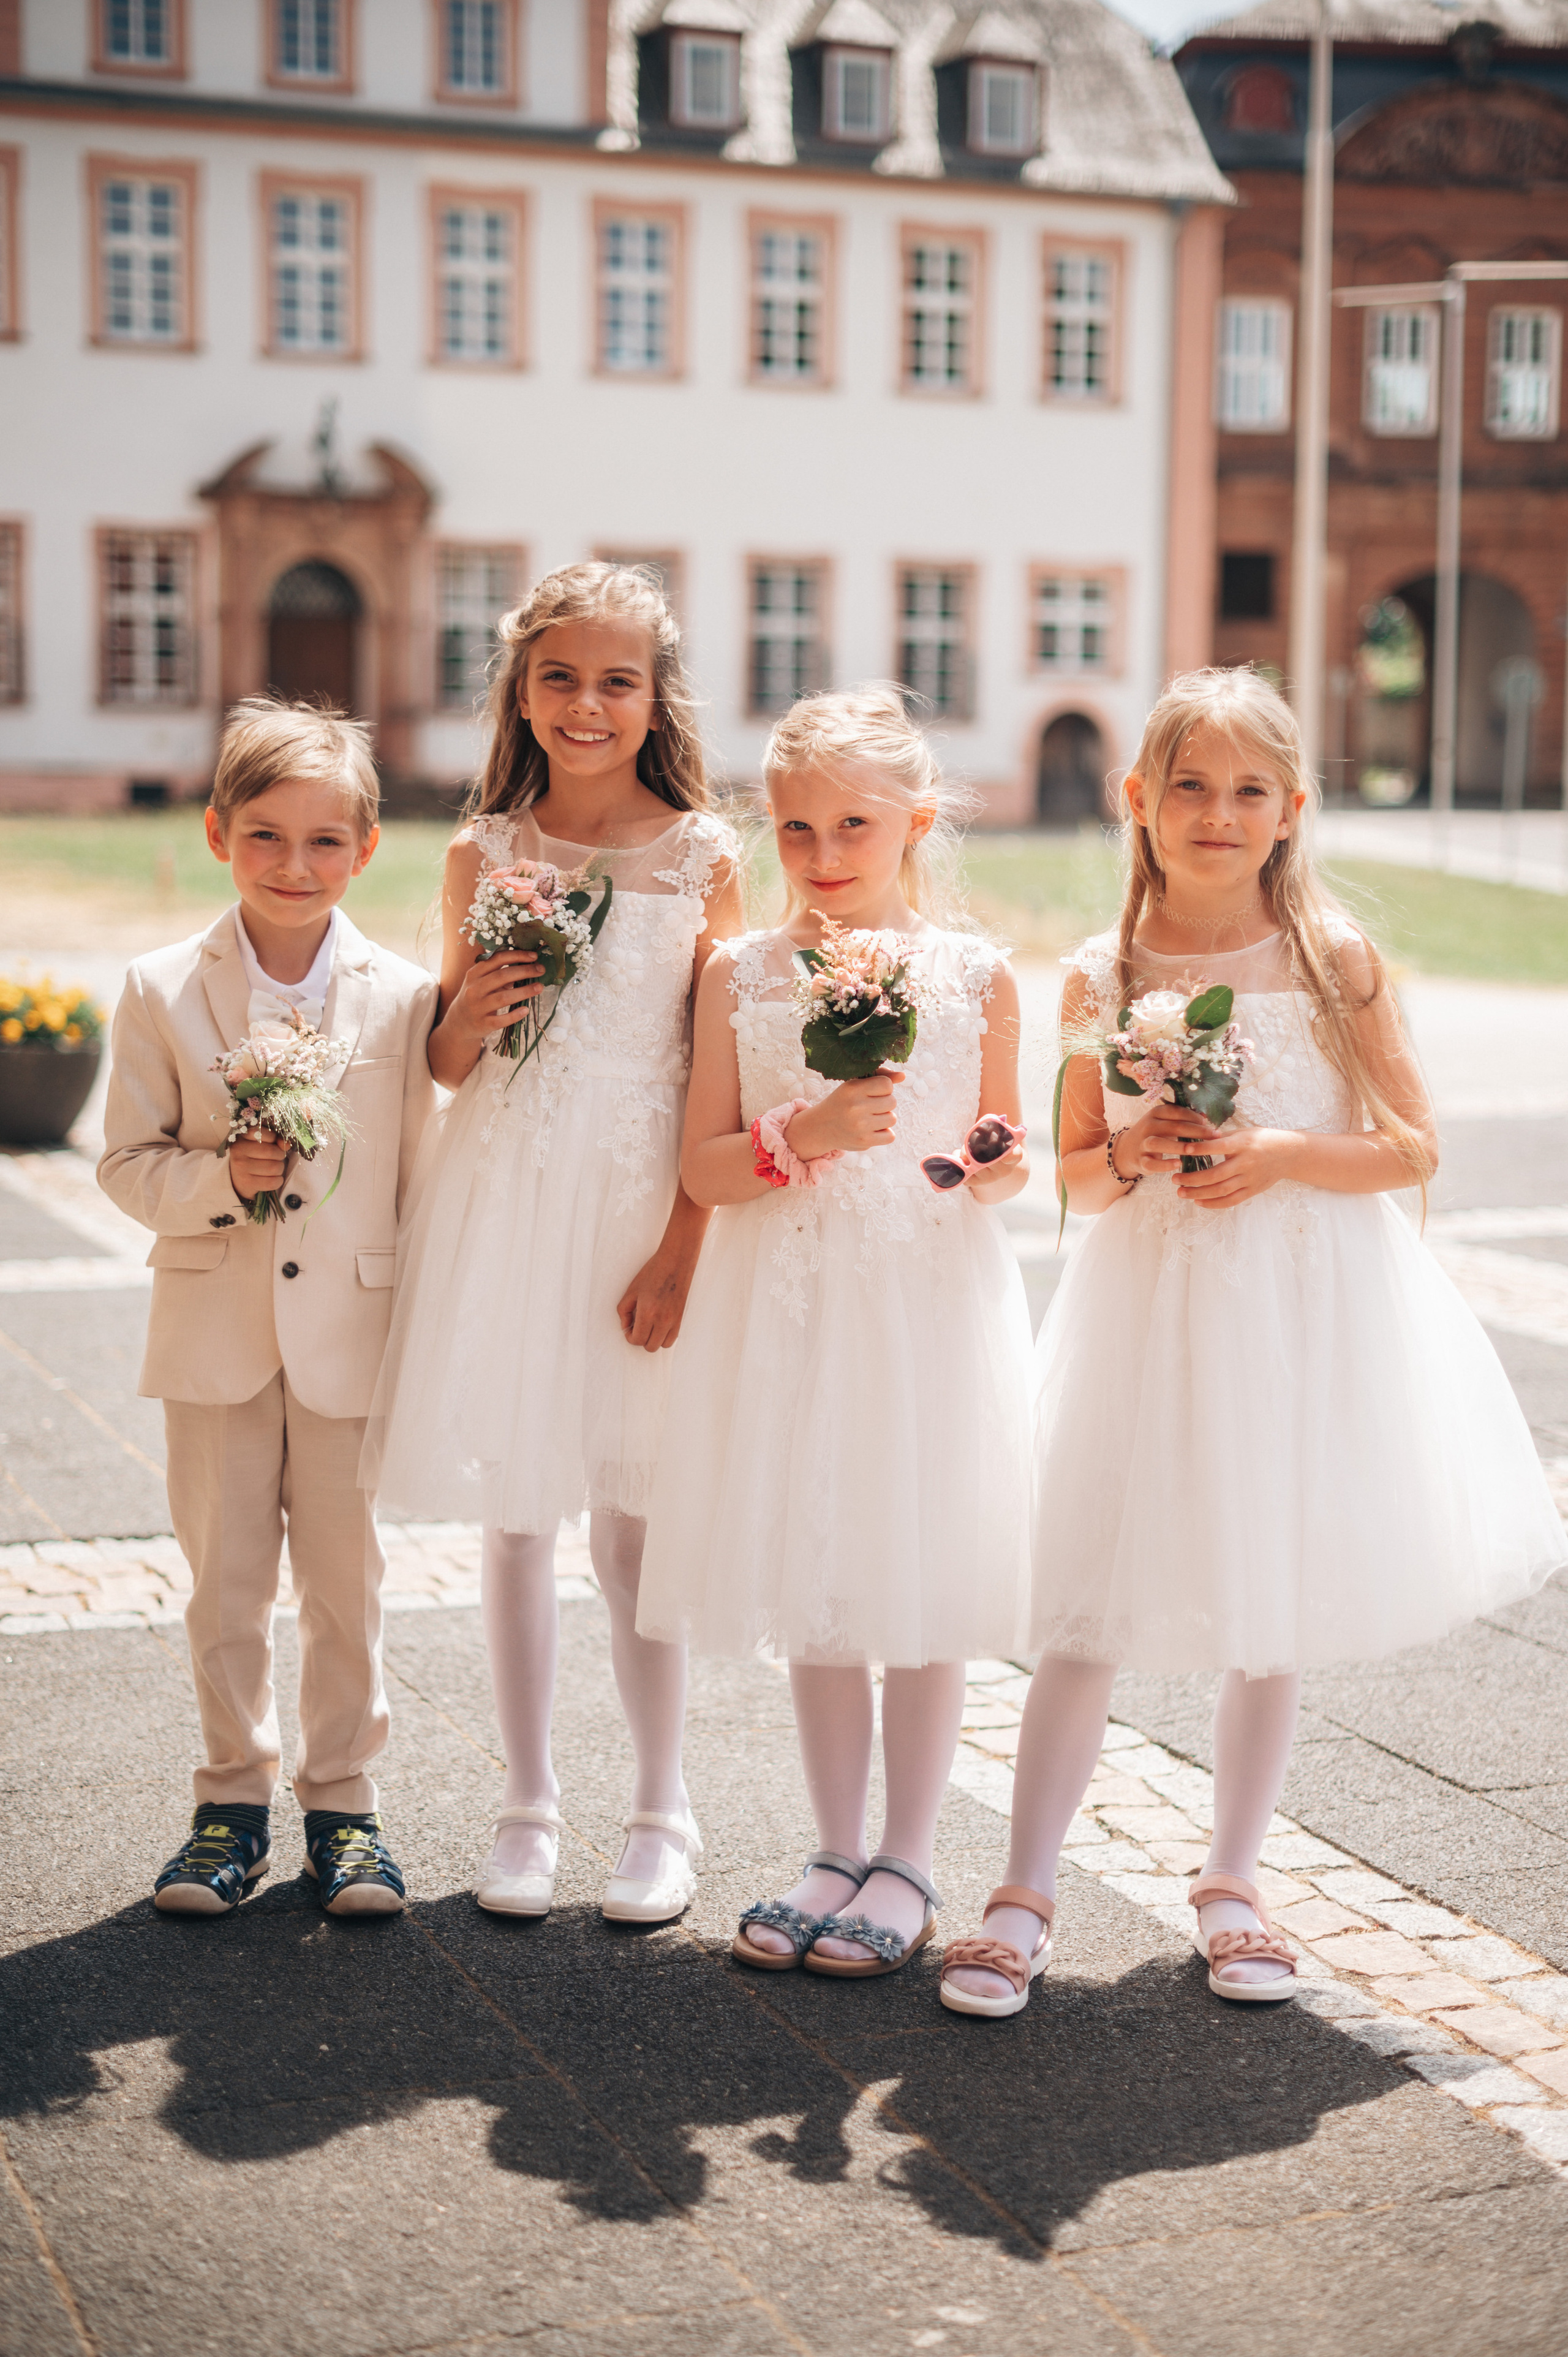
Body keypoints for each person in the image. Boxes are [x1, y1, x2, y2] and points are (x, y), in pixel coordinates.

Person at [939, 666, 1566, 2019]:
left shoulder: (1330, 959)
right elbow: (1080, 1183)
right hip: (1147, 1308)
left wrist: (1276, 1148)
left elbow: (1409, 1145)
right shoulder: (1100, 973)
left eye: (1244, 791)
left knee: (1263, 1604)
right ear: (1136, 801)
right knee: (1082, 1596)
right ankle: (1021, 1889)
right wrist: (1133, 1143)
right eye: (1187, 787)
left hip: (1290, 1312)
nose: (1214, 813)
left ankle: (1231, 1882)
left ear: (1291, 808)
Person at [361, 562, 742, 1927]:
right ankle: (526, 1807)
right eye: (560, 678)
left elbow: (725, 1068)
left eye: (616, 681)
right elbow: (454, 1061)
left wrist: (685, 1244)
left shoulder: (702, 855)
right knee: (517, 1516)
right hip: (513, 1199)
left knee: (634, 1525)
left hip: (640, 1205)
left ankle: (661, 1807)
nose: (587, 705)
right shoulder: (485, 850)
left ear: (655, 699)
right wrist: (475, 1006)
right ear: (522, 689)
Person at [637, 684, 1035, 1978]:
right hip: (791, 1307)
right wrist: (795, 1136)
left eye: (851, 825)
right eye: (793, 830)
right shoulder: (739, 974)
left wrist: (985, 1162)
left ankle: (909, 1855)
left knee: (914, 1573)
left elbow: (1005, 1156)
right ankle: (830, 1843)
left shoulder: (974, 975)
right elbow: (699, 1171)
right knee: (815, 1567)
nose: (819, 857)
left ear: (915, 820)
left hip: (920, 1304)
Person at [100, 698, 438, 1917]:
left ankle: (344, 1808)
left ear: (364, 850)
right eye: (264, 838)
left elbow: (415, 1183)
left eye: (322, 843)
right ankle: (227, 1804)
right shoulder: (158, 989)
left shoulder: (402, 999)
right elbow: (125, 1163)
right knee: (223, 1583)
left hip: (353, 1340)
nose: (293, 867)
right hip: (213, 1339)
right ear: (215, 835)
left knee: (349, 1587)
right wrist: (219, 1185)